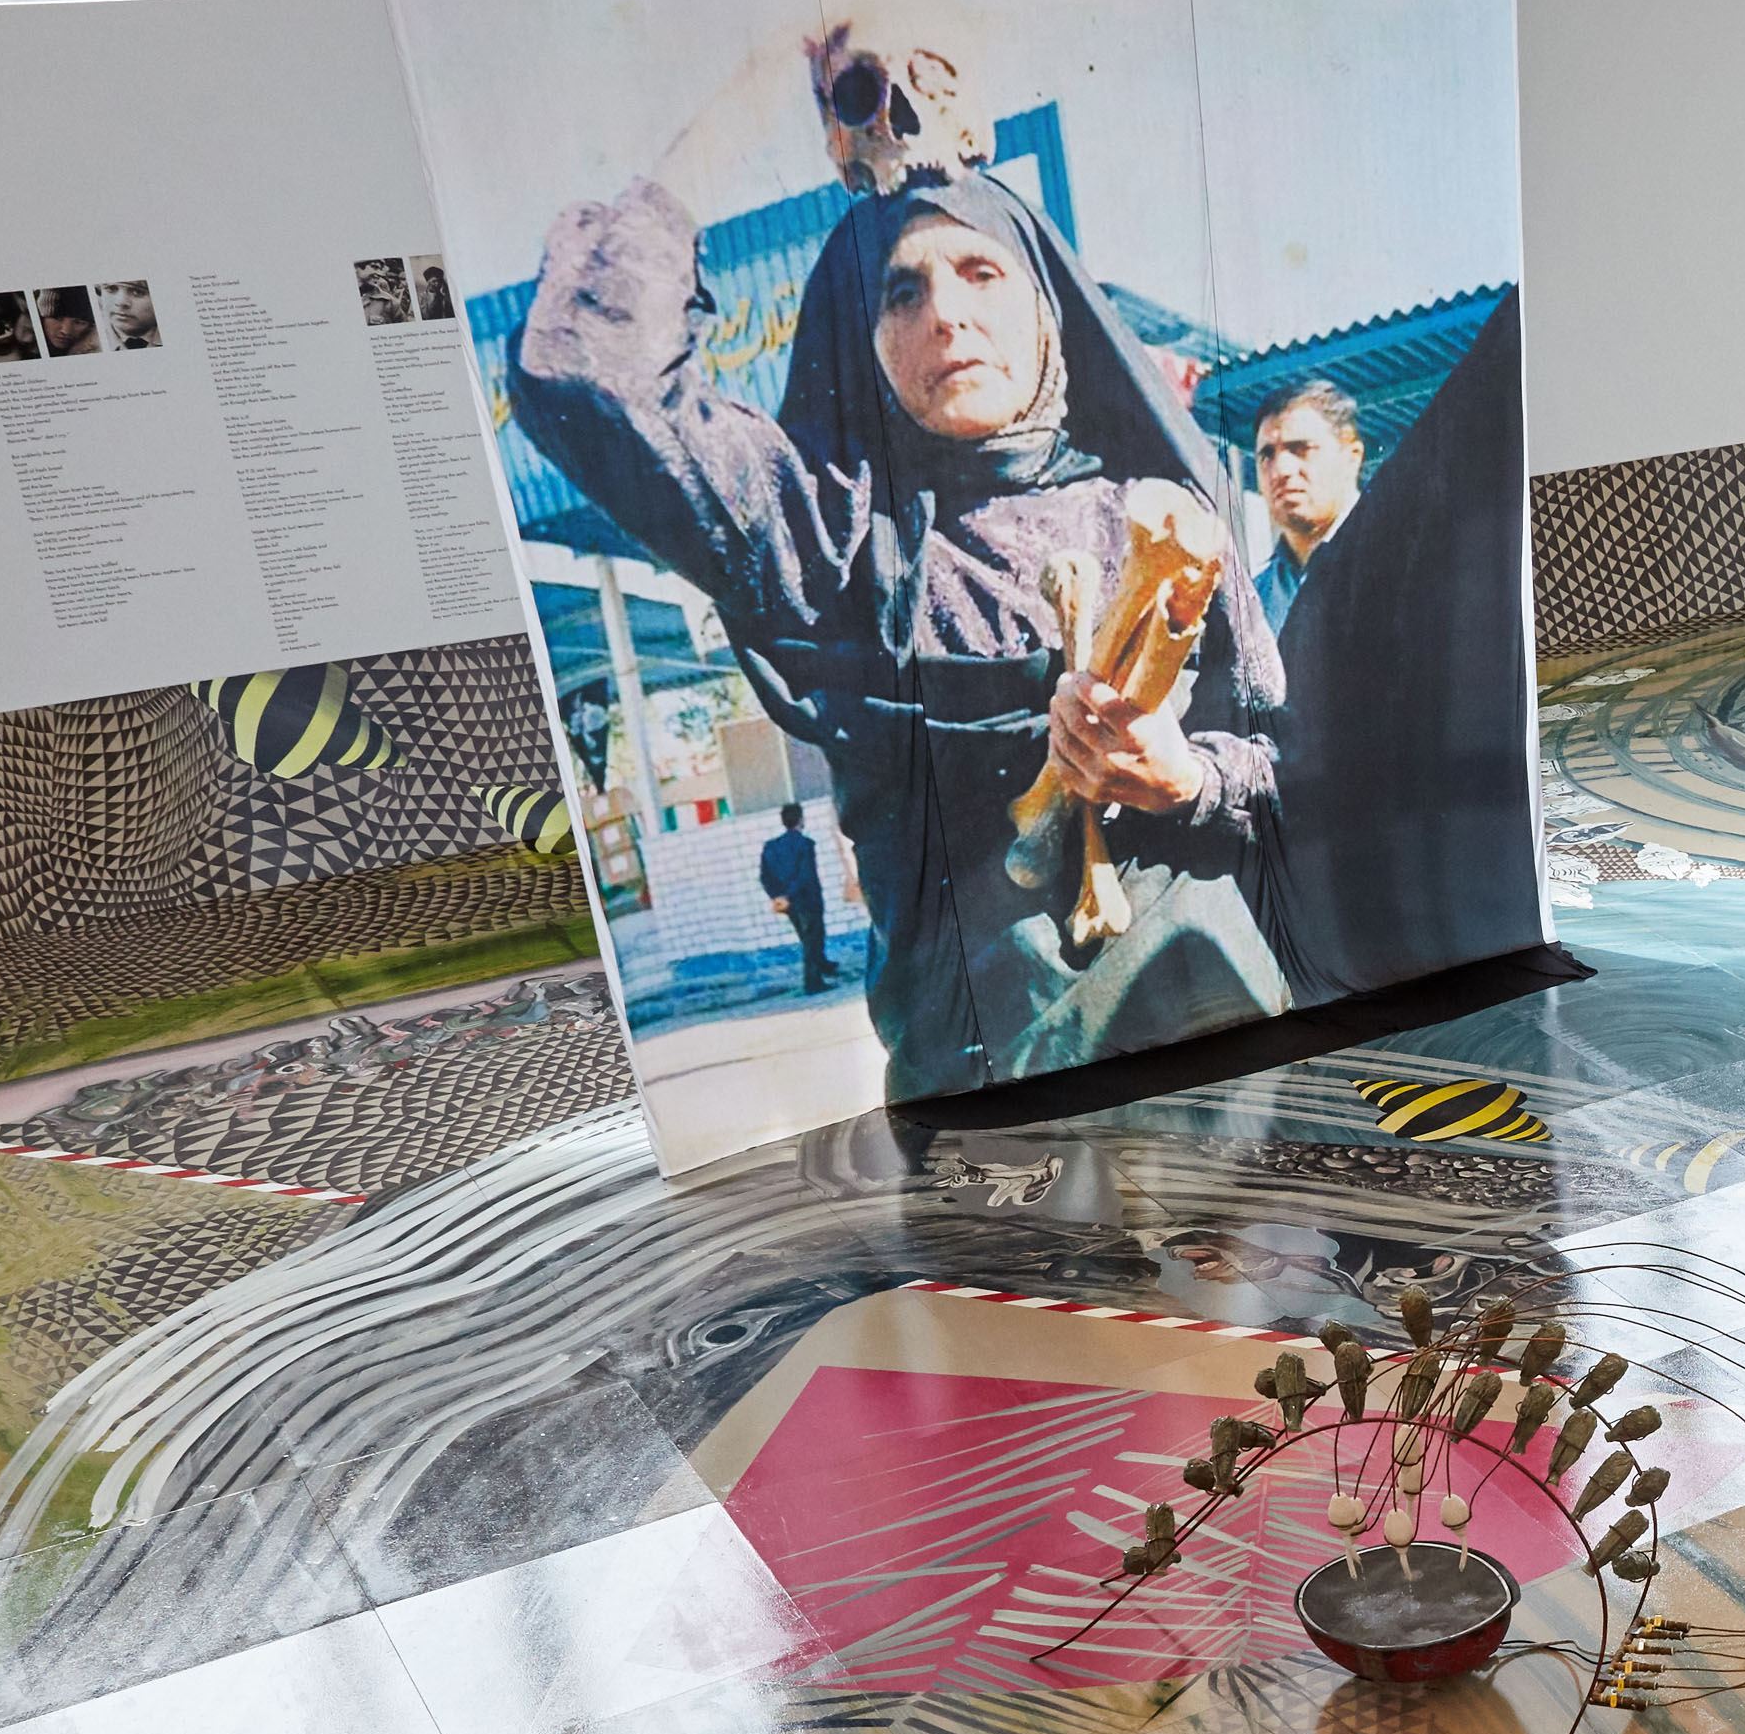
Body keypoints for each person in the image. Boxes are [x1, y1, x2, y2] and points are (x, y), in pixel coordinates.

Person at [511, 159, 1288, 1101]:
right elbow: (585, 375)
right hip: (993, 1101)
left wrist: (1189, 779)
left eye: (980, 273)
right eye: (902, 292)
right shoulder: (825, 545)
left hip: (1225, 1057)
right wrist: (694, 156)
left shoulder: (1166, 520)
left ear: (1047, 311)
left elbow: (1290, 769)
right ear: (867, 339)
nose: (945, 315)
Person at [1250, 378, 1364, 631]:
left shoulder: (1408, 563)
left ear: (1352, 457)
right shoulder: (1252, 604)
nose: (1281, 469)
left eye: (1301, 449)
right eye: (1267, 455)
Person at [758, 802, 841, 992]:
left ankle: (823, 965)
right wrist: (790, 894)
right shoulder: (806, 844)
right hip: (807, 899)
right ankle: (813, 982)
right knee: (814, 938)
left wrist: (778, 896)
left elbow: (764, 876)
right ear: (801, 820)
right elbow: (805, 875)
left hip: (787, 904)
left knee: (806, 937)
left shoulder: (770, 847)